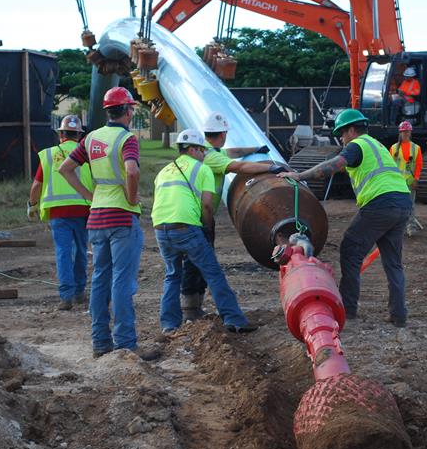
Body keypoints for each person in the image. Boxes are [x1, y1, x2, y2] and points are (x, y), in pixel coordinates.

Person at [278, 109, 413, 327]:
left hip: (380, 204)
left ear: (352, 129)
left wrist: (299, 175)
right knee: (393, 263)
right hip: (402, 203)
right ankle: (398, 315)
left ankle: (347, 309)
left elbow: (333, 166)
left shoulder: (357, 145)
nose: (341, 138)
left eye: (342, 133)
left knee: (351, 249)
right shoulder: (376, 145)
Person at [59, 86, 159, 361]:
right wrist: (132, 195)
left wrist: (88, 196)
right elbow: (131, 169)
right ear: (128, 110)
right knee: (122, 281)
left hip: (97, 216)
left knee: (100, 278)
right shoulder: (127, 138)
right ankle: (126, 343)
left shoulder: (90, 138)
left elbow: (64, 168)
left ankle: (100, 342)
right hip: (121, 216)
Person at [152, 129, 258, 334]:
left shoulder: (164, 170)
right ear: (192, 149)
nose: (204, 155)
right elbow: (207, 205)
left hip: (160, 228)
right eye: (202, 150)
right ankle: (234, 319)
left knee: (172, 275)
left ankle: (169, 325)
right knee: (213, 273)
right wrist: (207, 228)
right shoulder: (202, 170)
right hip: (186, 227)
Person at [180, 112, 283, 320]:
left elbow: (232, 153)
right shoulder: (212, 157)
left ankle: (191, 308)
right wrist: (272, 167)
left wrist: (255, 149)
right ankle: (192, 310)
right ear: (223, 134)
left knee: (192, 264)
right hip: (200, 217)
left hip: (190, 214)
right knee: (200, 264)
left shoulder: (209, 152)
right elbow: (240, 166)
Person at [28, 115, 93, 310]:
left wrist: (32, 205)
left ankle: (66, 297)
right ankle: (80, 292)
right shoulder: (87, 153)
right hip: (83, 210)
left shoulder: (48, 155)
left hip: (58, 213)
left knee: (63, 252)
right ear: (80, 135)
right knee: (82, 250)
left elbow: (36, 185)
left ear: (61, 135)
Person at [389, 120, 423, 236]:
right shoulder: (394, 148)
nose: (405, 134)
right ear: (400, 133)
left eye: (407, 132)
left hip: (410, 182)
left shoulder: (416, 148)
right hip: (397, 182)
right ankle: (399, 228)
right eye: (403, 132)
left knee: (410, 205)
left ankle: (411, 227)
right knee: (397, 205)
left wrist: (416, 179)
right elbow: (390, 165)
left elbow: (418, 165)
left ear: (410, 132)